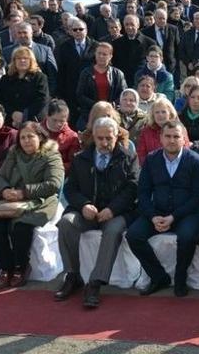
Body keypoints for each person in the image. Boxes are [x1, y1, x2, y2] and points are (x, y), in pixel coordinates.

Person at [55, 117, 138, 307]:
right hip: (86, 212)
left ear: (116, 136)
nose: (104, 143)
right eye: (100, 138)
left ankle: (95, 282)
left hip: (117, 212)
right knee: (66, 223)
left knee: (113, 230)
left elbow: (133, 188)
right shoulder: (81, 158)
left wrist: (112, 209)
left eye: (109, 138)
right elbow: (70, 189)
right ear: (93, 136)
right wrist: (83, 205)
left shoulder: (128, 157)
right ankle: (72, 275)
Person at [126, 121, 199, 297]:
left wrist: (173, 217)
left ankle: (180, 278)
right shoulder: (151, 159)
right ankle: (158, 277)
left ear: (184, 139)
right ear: (160, 138)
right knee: (133, 235)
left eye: (176, 136)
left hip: (188, 213)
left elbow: (198, 198)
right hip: (158, 212)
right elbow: (143, 192)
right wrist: (152, 216)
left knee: (186, 237)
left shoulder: (196, 161)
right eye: (168, 136)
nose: (171, 140)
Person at [0, 121, 64, 289]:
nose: (26, 141)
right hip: (11, 199)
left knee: (21, 226)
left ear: (40, 137)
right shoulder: (14, 153)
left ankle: (21, 267)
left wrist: (24, 192)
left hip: (39, 200)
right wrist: (5, 190)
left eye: (30, 136)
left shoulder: (51, 155)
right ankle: (5, 267)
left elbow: (54, 184)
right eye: (22, 137)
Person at [0, 47, 49, 126]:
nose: (22, 60)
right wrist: (12, 113)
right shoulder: (5, 79)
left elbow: (42, 99)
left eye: (25, 58)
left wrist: (25, 114)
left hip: (33, 121)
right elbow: (0, 100)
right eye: (19, 58)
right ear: (14, 61)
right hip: (9, 121)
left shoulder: (40, 77)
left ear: (31, 61)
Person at [136, 98, 181, 165]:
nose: (160, 115)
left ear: (170, 113)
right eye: (157, 112)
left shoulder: (179, 129)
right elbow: (141, 154)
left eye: (163, 112)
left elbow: (184, 151)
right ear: (153, 115)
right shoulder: (146, 131)